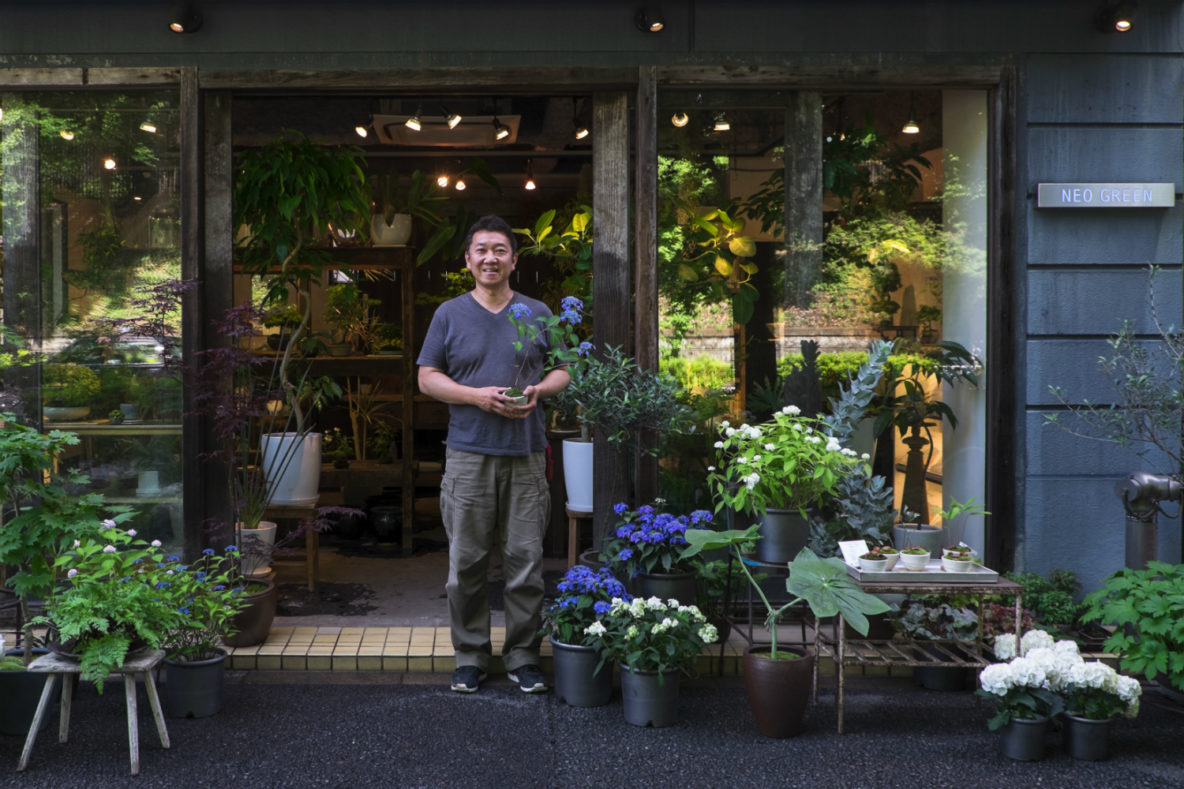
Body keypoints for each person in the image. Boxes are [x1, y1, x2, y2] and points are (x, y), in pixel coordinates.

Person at [416, 215, 571, 694]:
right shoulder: (449, 314)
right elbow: (427, 377)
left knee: (525, 562)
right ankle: (471, 656)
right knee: (466, 565)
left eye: (499, 250)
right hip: (468, 455)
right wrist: (475, 396)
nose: (490, 258)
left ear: (513, 260)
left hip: (525, 455)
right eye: (481, 250)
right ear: (468, 260)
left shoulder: (539, 311)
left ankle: (524, 656)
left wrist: (539, 391)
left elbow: (565, 369)